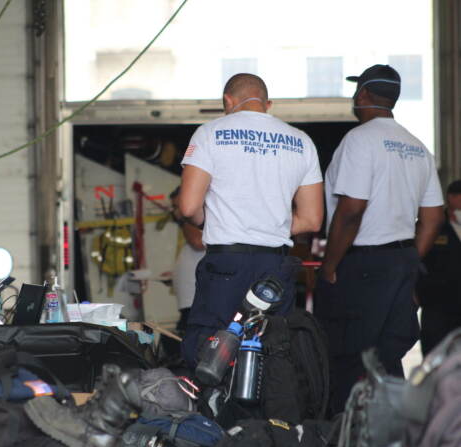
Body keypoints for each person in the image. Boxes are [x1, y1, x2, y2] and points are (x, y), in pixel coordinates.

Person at [317, 64, 444, 414]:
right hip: (402, 262)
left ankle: (346, 433)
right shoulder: (417, 147)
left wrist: (331, 264)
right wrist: (406, 259)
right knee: (388, 357)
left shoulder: (360, 140)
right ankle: (396, 433)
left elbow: (352, 210)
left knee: (348, 358)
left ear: (362, 95)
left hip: (360, 264)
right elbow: (433, 218)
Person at [178, 73, 324, 367]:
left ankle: (211, 412)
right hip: (275, 268)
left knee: (210, 352)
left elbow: (188, 206)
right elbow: (311, 220)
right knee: (272, 353)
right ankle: (266, 414)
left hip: (226, 265)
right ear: (267, 104)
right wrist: (269, 223)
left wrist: (213, 220)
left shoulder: (209, 133)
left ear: (228, 101)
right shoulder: (302, 142)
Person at [416, 179, 461, 355]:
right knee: (434, 355)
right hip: (436, 305)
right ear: (451, 198)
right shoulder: (433, 226)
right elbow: (417, 259)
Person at [169, 186, 205, 334]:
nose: (175, 212)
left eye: (177, 206)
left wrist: (184, 220)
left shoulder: (190, 225)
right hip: (189, 301)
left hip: (196, 301)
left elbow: (197, 242)